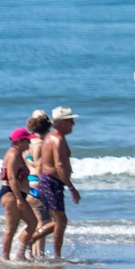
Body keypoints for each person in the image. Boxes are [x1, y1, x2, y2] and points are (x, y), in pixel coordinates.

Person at [35, 106, 82, 259]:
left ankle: (52, 252)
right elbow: (59, 165)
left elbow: (42, 162)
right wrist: (71, 187)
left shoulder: (51, 137)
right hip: (52, 181)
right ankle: (32, 242)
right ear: (62, 123)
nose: (73, 124)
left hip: (49, 181)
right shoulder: (58, 139)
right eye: (70, 121)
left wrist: (42, 180)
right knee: (61, 220)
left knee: (60, 220)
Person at [0, 128, 39, 260]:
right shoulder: (13, 155)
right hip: (11, 194)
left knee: (32, 222)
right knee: (11, 228)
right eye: (28, 140)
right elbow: (11, 179)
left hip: (18, 194)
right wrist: (19, 199)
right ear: (20, 141)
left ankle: (20, 253)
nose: (30, 143)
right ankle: (5, 258)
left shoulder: (18, 154)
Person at [23, 112, 53, 257]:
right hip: (37, 184)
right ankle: (38, 254)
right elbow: (40, 168)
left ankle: (30, 252)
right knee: (44, 222)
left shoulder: (28, 143)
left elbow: (26, 163)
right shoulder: (40, 144)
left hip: (28, 183)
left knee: (35, 222)